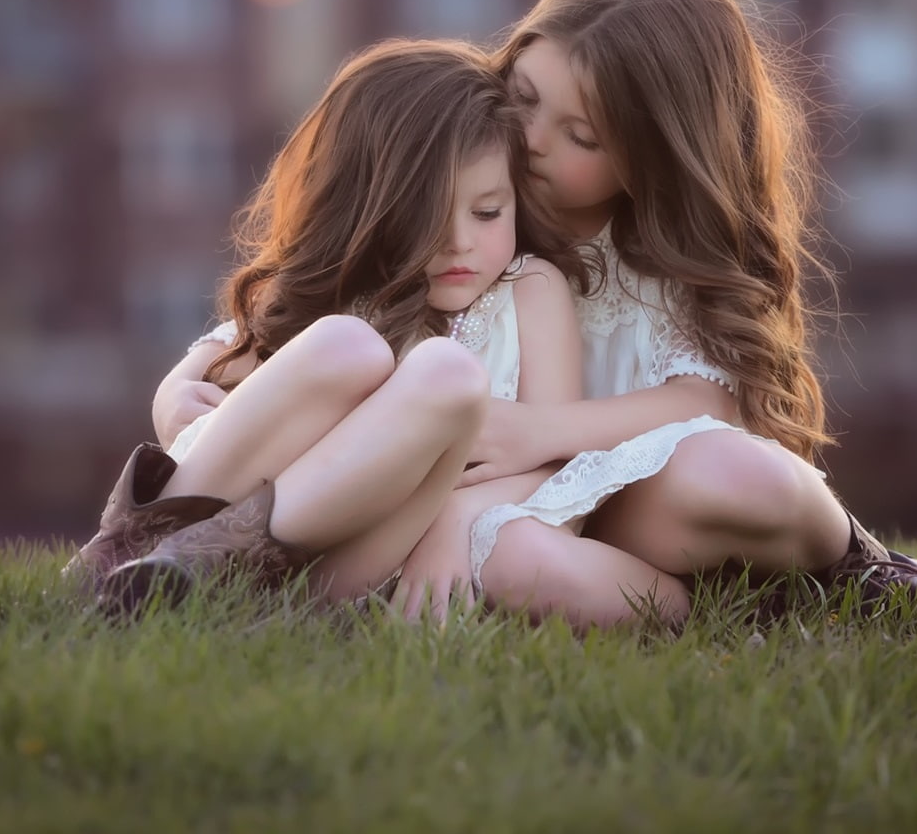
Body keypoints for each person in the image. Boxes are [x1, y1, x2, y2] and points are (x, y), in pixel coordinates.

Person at [399, 0, 917, 628]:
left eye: (581, 135)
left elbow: (703, 405)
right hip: (507, 514)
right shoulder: (464, 212)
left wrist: (541, 432)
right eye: (523, 98)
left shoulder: (660, 254)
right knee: (517, 559)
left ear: (654, 155)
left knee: (737, 474)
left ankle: (862, 568)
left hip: (630, 506)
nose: (534, 141)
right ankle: (749, 610)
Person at [64, 40, 595, 614]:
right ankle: (136, 558)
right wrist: (176, 385)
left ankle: (207, 567)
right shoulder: (347, 295)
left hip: (374, 559)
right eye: (426, 218)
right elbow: (232, 353)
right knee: (349, 345)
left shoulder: (530, 289)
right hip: (227, 516)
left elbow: (553, 467)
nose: (459, 242)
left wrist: (456, 528)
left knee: (448, 374)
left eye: (487, 212)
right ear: (371, 208)